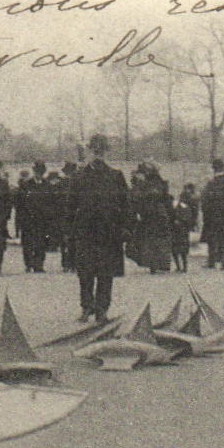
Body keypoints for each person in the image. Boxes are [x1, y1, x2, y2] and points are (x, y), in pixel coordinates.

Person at [69, 134, 130, 322]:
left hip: (108, 233)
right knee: (85, 271)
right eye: (95, 150)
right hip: (85, 232)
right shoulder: (79, 177)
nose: (98, 154)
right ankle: (87, 306)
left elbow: (126, 204)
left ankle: (102, 308)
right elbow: (70, 206)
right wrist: (70, 232)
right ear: (89, 152)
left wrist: (125, 228)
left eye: (101, 151)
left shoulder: (115, 176)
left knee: (105, 272)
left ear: (106, 152)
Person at [130, 164, 174, 273]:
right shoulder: (159, 184)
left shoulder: (149, 185)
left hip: (152, 216)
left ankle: (155, 264)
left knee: (151, 241)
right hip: (157, 216)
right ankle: (160, 264)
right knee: (158, 241)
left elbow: (139, 198)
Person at [16, 161, 49, 272]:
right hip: (28, 219)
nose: (39, 174)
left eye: (41, 172)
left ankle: (39, 264)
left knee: (41, 243)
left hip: (42, 220)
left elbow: (51, 203)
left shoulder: (47, 185)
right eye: (37, 171)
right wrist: (21, 219)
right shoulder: (26, 185)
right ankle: (29, 263)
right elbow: (19, 204)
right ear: (34, 171)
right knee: (28, 242)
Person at [170, 183, 198, 273]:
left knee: (175, 249)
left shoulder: (180, 205)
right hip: (184, 229)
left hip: (177, 229)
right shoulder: (192, 203)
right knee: (183, 250)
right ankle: (184, 267)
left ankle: (179, 267)